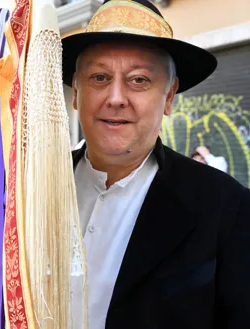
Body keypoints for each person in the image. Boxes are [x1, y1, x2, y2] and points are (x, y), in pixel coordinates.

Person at [63, 0, 250, 328]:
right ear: (77, 92)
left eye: (139, 80)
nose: (116, 97)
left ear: (169, 96)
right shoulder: (27, 190)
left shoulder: (226, 209)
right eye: (99, 77)